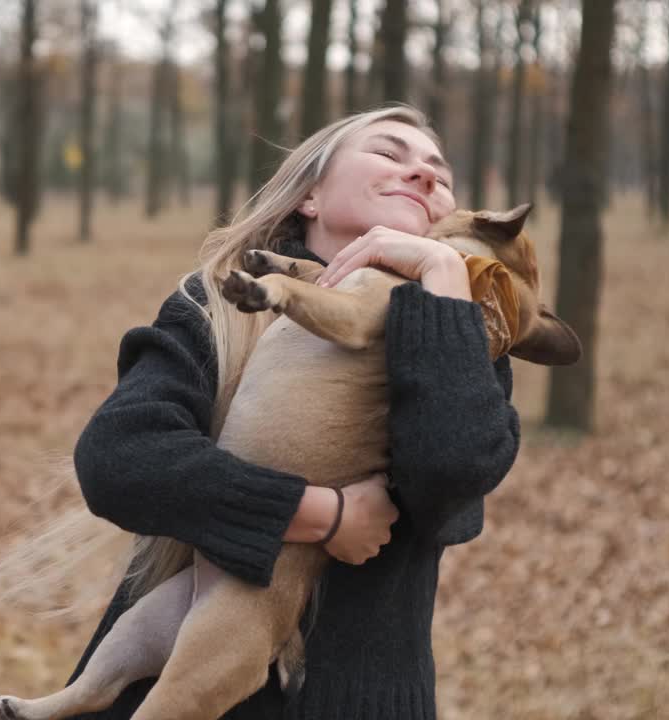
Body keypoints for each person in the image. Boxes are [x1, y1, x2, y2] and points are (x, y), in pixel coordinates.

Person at [65, 104, 521, 719]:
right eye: (389, 154)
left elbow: (450, 478)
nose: (423, 175)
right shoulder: (221, 306)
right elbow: (118, 459)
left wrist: (441, 274)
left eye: (440, 174)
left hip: (364, 702)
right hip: (170, 686)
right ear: (310, 194)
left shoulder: (465, 344)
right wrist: (318, 515)